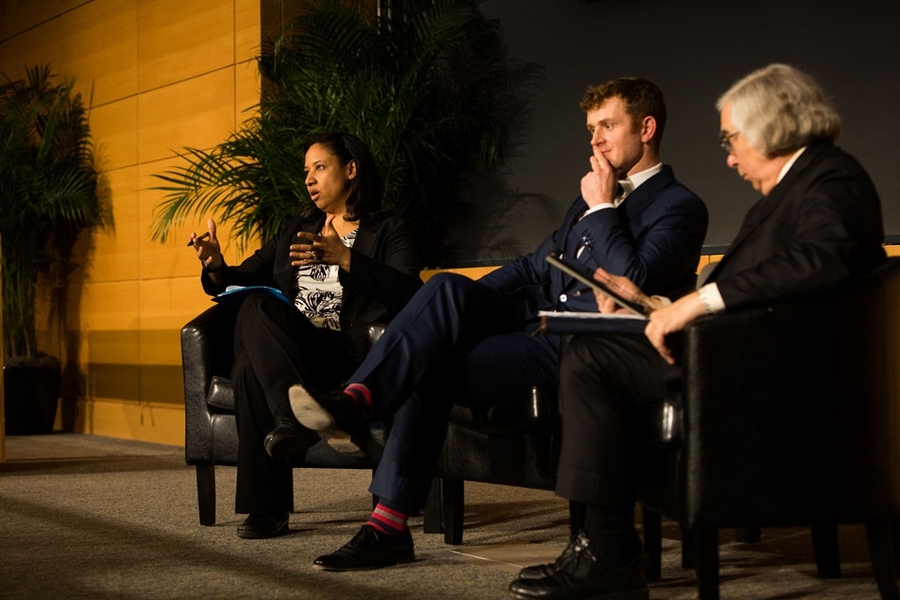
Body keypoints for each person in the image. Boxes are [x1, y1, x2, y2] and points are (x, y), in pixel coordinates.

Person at [289, 78, 709, 570]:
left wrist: (600, 208)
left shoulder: (678, 207)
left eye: (608, 126)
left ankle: (381, 502)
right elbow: (535, 267)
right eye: (591, 128)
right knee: (441, 302)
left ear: (647, 127)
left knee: (435, 361)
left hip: (584, 342)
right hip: (530, 318)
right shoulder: (593, 194)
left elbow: (631, 282)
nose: (594, 140)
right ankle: (364, 422)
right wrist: (453, 307)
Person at [508, 63, 886, 600]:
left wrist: (697, 304)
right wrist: (656, 303)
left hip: (765, 374)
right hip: (738, 355)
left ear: (772, 126)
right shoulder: (800, 185)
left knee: (593, 359)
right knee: (593, 352)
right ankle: (603, 549)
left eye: (732, 139)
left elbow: (819, 261)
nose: (729, 157)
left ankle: (607, 553)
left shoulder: (832, 178)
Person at [189, 132, 422, 539]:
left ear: (351, 169)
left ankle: (267, 505)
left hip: (347, 351)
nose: (310, 180)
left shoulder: (388, 229)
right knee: (254, 314)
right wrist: (215, 265)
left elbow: (409, 292)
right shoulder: (296, 229)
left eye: (320, 168)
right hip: (293, 349)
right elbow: (240, 277)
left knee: (250, 365)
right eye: (306, 172)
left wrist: (345, 257)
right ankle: (288, 418)